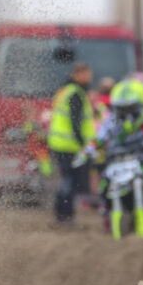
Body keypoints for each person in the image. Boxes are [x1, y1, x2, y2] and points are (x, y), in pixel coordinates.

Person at [82, 78, 143, 238]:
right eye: (123, 109)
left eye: (131, 109)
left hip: (140, 163)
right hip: (116, 163)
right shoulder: (111, 121)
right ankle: (107, 218)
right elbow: (99, 137)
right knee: (103, 189)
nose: (127, 115)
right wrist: (88, 150)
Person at [47, 62, 94, 224]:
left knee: (66, 180)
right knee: (70, 181)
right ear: (77, 75)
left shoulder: (65, 91)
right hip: (70, 146)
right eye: (87, 74)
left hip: (60, 143)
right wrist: (83, 143)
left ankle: (61, 214)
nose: (90, 78)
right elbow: (76, 122)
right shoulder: (75, 93)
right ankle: (65, 214)